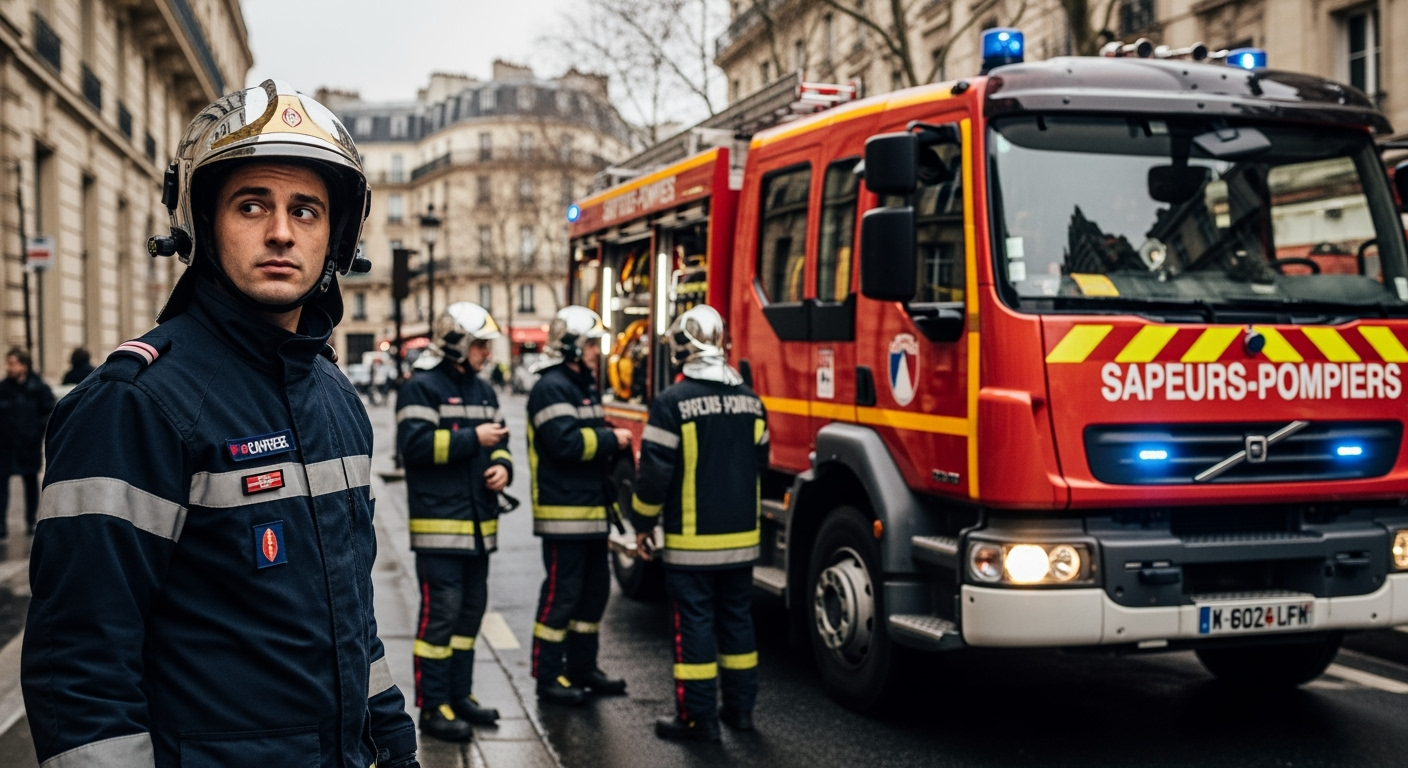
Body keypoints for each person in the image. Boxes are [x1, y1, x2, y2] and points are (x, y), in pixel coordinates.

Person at [21, 80, 420, 768]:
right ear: (203, 224)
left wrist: (394, 742)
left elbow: (352, 622)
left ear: (337, 235)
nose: (281, 231)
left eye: (307, 210)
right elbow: (81, 669)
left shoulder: (335, 396)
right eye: (251, 205)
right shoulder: (133, 406)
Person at [629, 305, 770, 742]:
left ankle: (698, 719)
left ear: (684, 349)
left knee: (694, 625)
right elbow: (759, 464)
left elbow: (654, 475)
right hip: (742, 542)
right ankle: (741, 712)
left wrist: (642, 523)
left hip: (692, 544)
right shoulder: (752, 400)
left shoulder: (672, 403)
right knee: (738, 623)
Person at [396, 302, 512, 742]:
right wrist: (472, 438)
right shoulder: (421, 387)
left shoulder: (484, 390)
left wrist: (503, 468)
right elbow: (415, 446)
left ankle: (460, 696)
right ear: (457, 344)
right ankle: (434, 707)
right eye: (480, 344)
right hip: (440, 529)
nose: (487, 352)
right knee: (439, 622)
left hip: (480, 526)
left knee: (469, 618)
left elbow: (500, 443)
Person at [526, 306, 631, 705]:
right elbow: (565, 443)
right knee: (561, 595)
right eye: (589, 344)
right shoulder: (551, 386)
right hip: (564, 514)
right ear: (569, 345)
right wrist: (612, 440)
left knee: (594, 593)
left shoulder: (582, 382)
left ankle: (583, 669)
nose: (595, 351)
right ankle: (549, 677)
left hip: (591, 511)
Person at [0, 348, 54, 537]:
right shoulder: (4, 388)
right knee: (1, 484)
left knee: (30, 482)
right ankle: (1, 525)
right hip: (6, 446)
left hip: (28, 445)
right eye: (8, 363)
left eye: (13, 363)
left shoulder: (38, 387)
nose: (9, 367)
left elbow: (49, 413)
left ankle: (31, 521)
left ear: (24, 365)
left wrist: (36, 432)